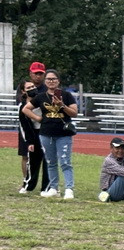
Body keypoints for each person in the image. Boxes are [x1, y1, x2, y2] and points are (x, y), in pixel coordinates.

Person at [22, 69, 78, 199]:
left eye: (54, 79)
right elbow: (26, 109)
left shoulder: (66, 95)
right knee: (50, 162)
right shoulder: (40, 96)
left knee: (65, 161)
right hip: (46, 133)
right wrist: (38, 119)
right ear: (45, 81)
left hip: (63, 133)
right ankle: (53, 187)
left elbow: (74, 113)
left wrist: (62, 105)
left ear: (58, 81)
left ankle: (69, 189)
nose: (51, 81)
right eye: (48, 79)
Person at [17, 74, 48, 194]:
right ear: (23, 91)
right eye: (28, 88)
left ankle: (46, 187)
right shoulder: (23, 106)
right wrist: (29, 141)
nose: (32, 89)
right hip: (33, 134)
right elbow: (24, 125)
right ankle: (28, 185)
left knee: (48, 161)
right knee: (33, 161)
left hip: (46, 132)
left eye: (33, 86)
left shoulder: (42, 99)